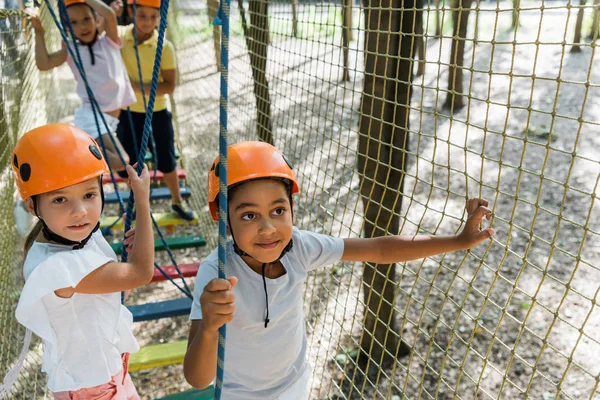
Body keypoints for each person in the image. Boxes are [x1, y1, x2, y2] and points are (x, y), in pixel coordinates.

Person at [183, 141, 495, 399]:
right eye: (249, 215)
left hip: (295, 385)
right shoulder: (216, 274)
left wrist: (458, 240)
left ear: (292, 208)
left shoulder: (301, 248)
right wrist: (210, 329)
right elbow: (197, 379)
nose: (267, 228)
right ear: (224, 220)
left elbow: (379, 249)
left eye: (278, 211)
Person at [11, 123, 154, 399]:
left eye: (89, 195)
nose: (79, 212)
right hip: (91, 387)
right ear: (32, 206)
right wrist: (143, 202)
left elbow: (119, 290)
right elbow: (141, 273)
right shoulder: (56, 268)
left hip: (105, 374)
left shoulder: (72, 237)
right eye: (60, 199)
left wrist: (129, 263)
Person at [29, 0, 135, 171]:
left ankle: (72, 149)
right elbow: (44, 63)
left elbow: (109, 14)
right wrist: (39, 32)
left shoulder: (109, 42)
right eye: (74, 22)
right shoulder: (72, 51)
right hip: (92, 117)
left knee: (116, 160)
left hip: (109, 120)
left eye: (86, 19)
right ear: (68, 28)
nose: (82, 26)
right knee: (121, 161)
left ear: (96, 20)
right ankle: (66, 152)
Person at [114, 0, 194, 221]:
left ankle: (177, 201)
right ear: (131, 12)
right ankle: (136, 204)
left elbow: (169, 86)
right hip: (128, 113)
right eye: (142, 16)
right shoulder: (120, 38)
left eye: (153, 17)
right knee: (129, 162)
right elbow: (99, 32)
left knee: (167, 159)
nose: (148, 22)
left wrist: (135, 87)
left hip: (157, 112)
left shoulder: (164, 47)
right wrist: (110, 13)